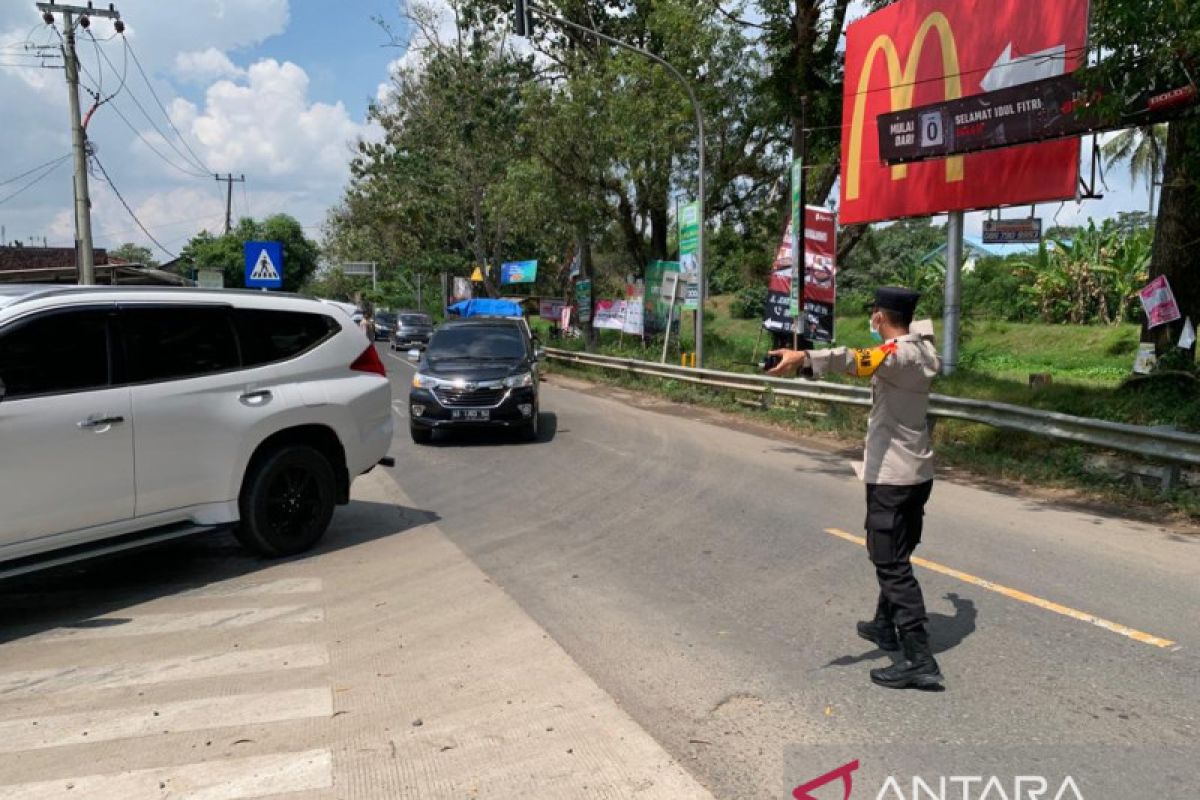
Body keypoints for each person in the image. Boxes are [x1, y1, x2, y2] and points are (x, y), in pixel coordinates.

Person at [767, 286, 943, 690]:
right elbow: (920, 331)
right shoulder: (927, 350)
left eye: (874, 314)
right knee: (898, 550)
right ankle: (885, 625)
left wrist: (804, 357)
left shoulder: (895, 355)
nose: (872, 320)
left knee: (889, 561)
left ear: (879, 317)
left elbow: (852, 359)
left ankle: (919, 657)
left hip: (892, 477)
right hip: (918, 472)